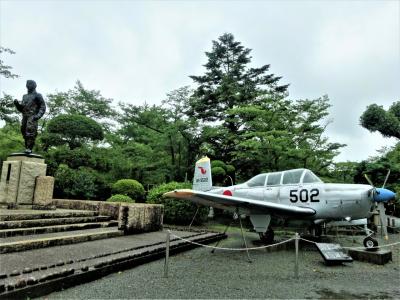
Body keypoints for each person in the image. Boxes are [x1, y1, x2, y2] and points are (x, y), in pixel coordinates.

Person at [14, 80, 46, 153]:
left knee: (30, 130)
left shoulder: (38, 95)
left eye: (29, 84)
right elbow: (22, 108)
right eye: (27, 84)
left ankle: (29, 148)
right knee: (23, 130)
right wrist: (17, 104)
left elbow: (43, 106)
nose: (27, 86)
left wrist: (37, 116)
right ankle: (26, 147)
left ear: (34, 86)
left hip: (32, 116)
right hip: (25, 116)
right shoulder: (24, 96)